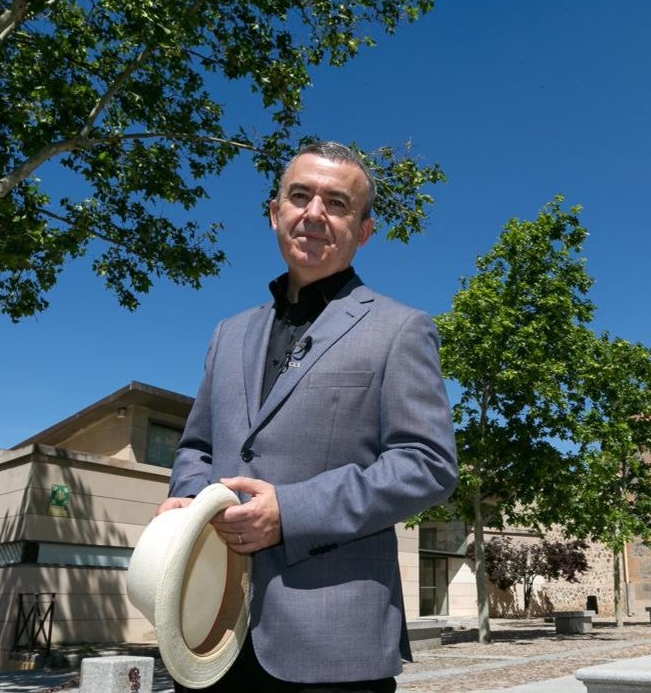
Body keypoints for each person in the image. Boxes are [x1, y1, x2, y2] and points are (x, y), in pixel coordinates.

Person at [158, 141, 459, 692]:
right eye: (300, 196)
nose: (314, 212)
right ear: (275, 212)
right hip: (208, 633)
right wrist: (193, 502)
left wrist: (290, 513)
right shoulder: (227, 334)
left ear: (364, 230)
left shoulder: (402, 329)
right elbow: (195, 447)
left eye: (337, 203)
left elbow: (427, 464)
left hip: (332, 647)